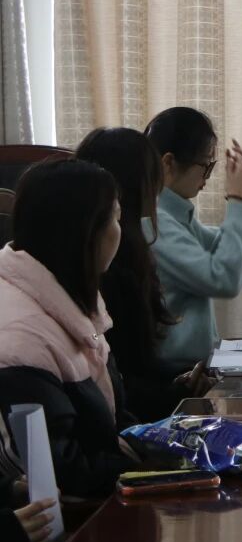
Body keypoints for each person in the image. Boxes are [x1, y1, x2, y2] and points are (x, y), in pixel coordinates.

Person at [0, 160, 137, 498]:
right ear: (87, 230)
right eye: (116, 218)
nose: (121, 230)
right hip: (76, 514)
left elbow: (110, 421)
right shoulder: (21, 338)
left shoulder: (64, 294)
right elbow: (61, 474)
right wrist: (162, 466)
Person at [75, 127, 215, 421]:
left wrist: (180, 382)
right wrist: (175, 393)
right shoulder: (107, 267)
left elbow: (136, 366)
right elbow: (119, 386)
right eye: (154, 181)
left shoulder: (131, 249)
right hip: (128, 422)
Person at [144, 107, 242, 373]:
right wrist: (237, 199)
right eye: (205, 166)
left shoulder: (175, 216)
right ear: (168, 163)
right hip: (176, 374)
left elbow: (235, 250)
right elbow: (225, 277)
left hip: (195, 366)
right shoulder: (155, 223)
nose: (206, 179)